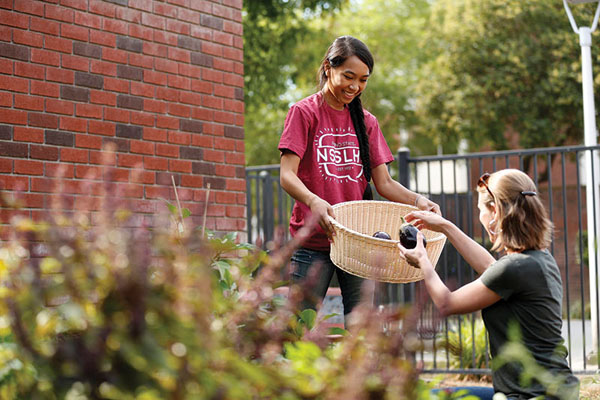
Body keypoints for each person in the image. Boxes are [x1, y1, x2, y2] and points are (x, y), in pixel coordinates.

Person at [278, 35, 440, 326]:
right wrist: (314, 200)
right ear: (328, 68)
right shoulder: (304, 113)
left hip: (357, 242)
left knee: (361, 330)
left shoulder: (367, 122)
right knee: (296, 329)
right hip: (313, 240)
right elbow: (286, 175)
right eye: (348, 76)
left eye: (363, 80)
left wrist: (419, 201)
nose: (355, 86)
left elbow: (385, 183)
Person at [398, 169, 579, 400]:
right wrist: (445, 226)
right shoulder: (540, 259)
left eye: (481, 210)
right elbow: (490, 267)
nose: (480, 218)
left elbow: (446, 303)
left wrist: (423, 260)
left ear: (495, 211)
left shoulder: (515, 268)